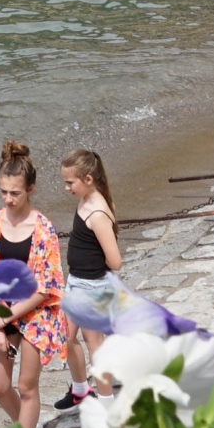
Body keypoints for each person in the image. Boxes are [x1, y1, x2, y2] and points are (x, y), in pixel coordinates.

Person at [0, 144, 68, 428]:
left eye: (15, 193)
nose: (8, 198)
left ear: (30, 189)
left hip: (35, 312)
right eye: (3, 191)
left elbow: (47, 288)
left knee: (27, 387)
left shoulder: (43, 228)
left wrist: (6, 320)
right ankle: (27, 426)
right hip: (2, 310)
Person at [55, 150, 119, 406]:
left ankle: (107, 402)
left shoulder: (98, 213)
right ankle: (80, 390)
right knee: (66, 339)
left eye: (70, 182)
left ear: (88, 179)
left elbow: (115, 261)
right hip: (76, 284)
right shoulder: (86, 202)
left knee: (95, 345)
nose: (67, 188)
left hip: (91, 287)